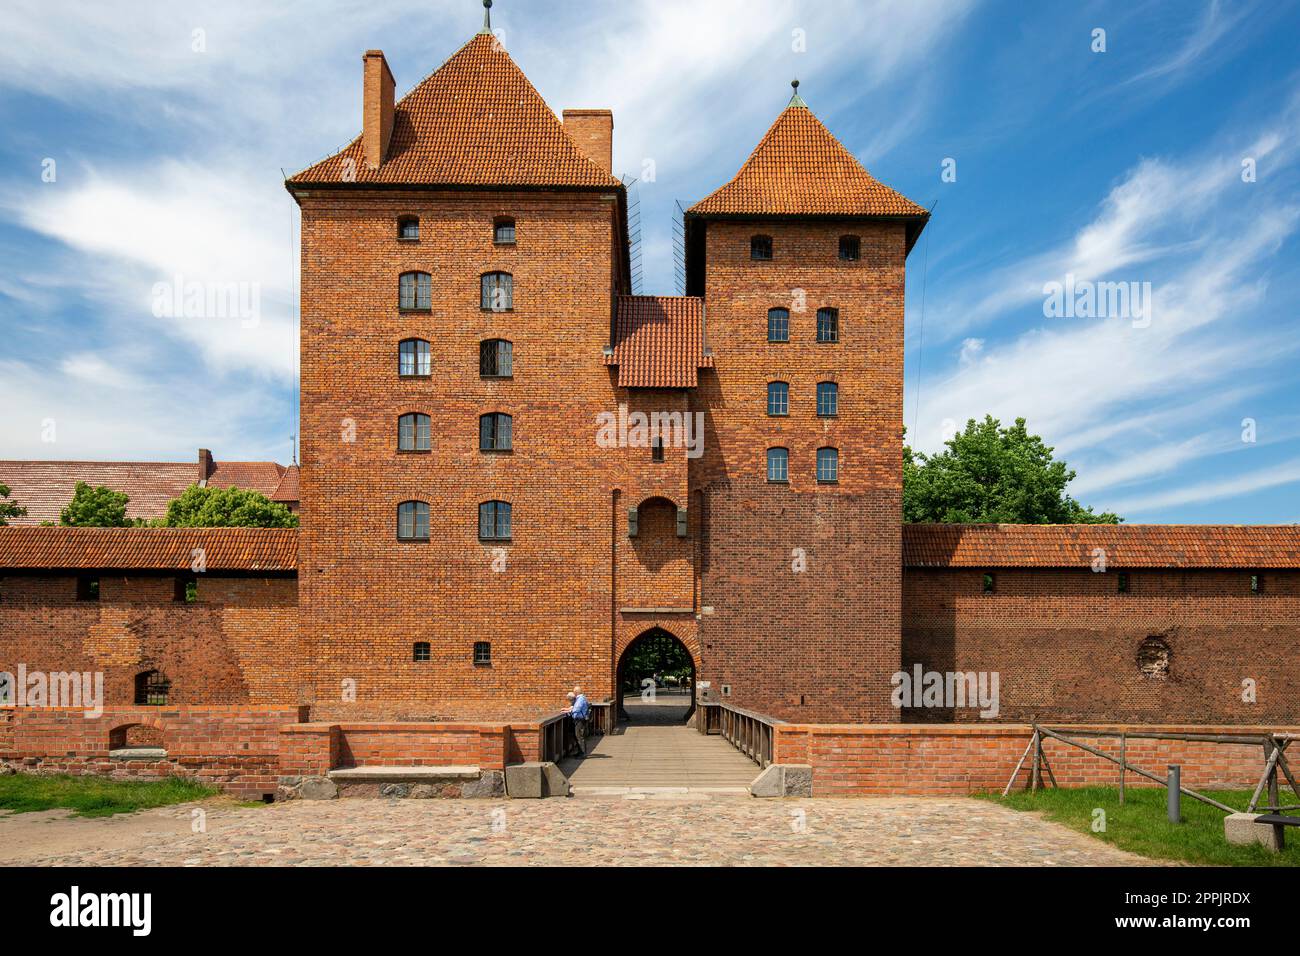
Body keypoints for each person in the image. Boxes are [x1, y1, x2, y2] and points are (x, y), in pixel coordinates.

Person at [565, 687, 591, 757]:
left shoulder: (580, 699)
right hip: (579, 719)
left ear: (576, 692)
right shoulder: (580, 698)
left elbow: (577, 708)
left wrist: (568, 711)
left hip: (580, 720)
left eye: (574, 692)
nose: (573, 693)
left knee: (579, 736)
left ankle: (582, 753)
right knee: (578, 736)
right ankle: (580, 752)